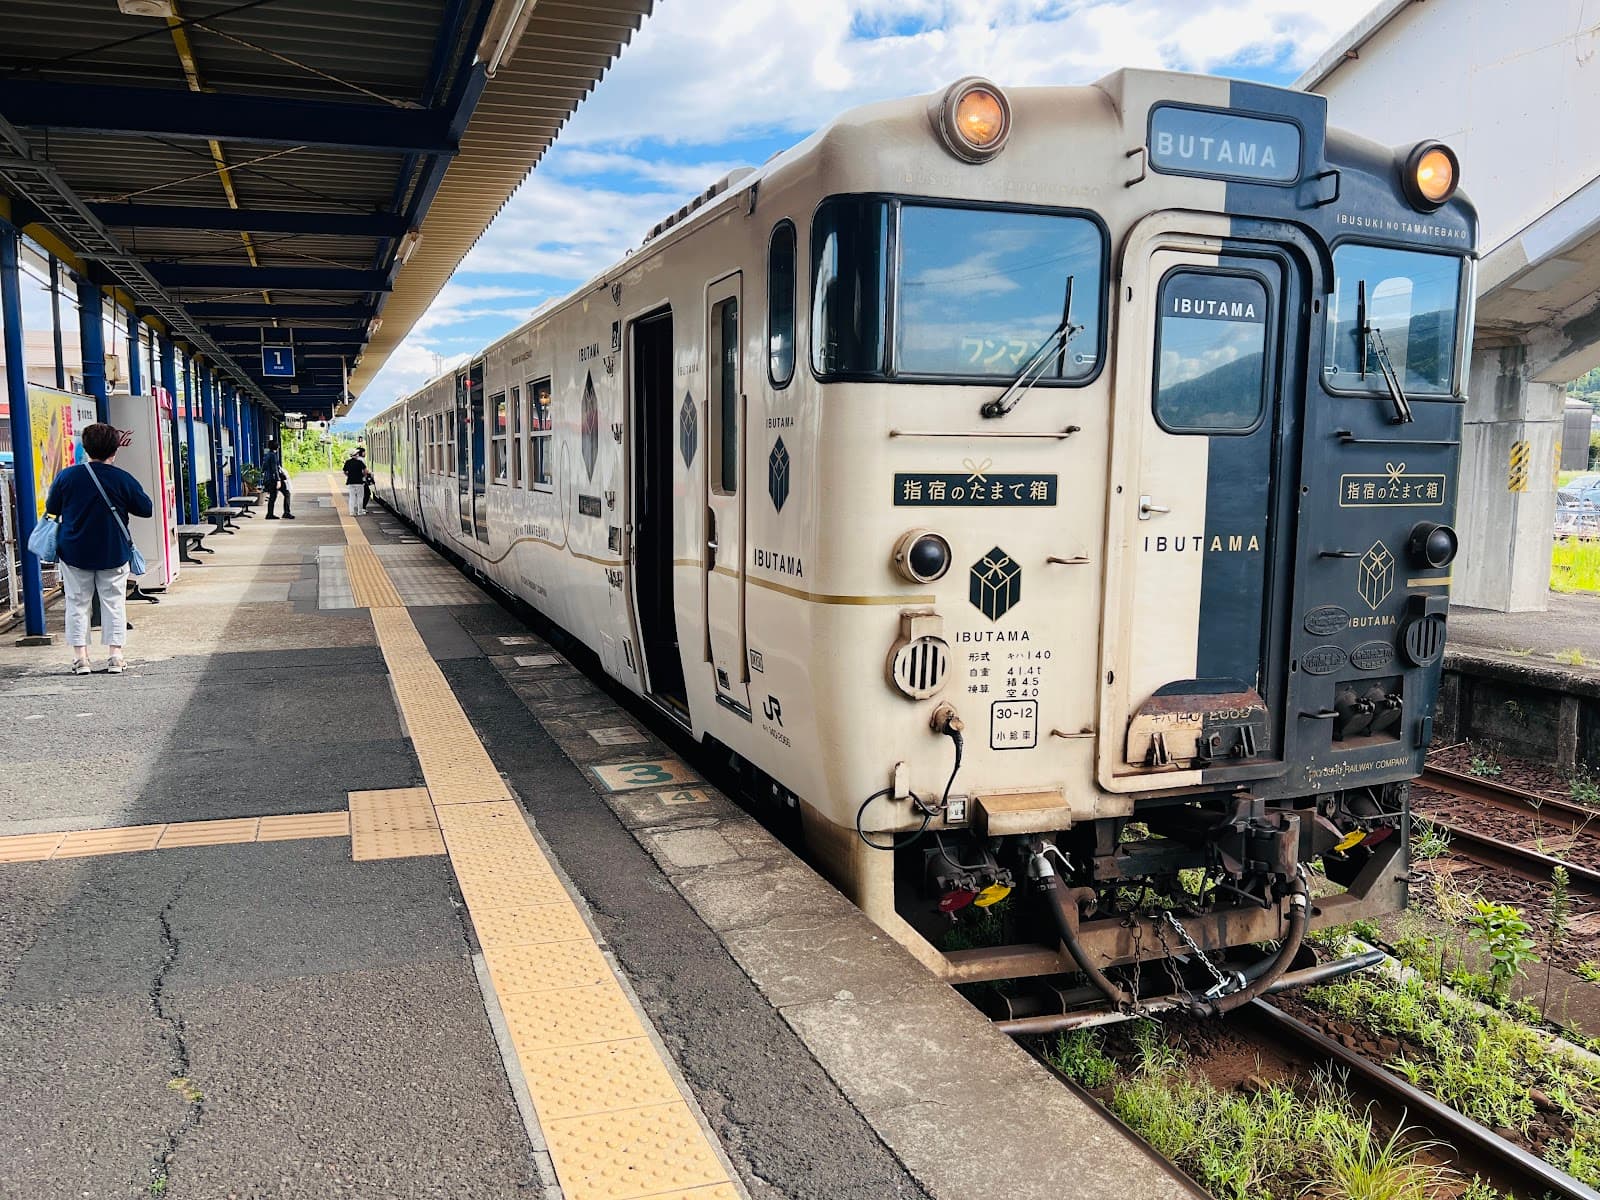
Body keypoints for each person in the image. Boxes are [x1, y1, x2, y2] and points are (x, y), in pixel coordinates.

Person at [44, 422, 154, 675]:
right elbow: (145, 509)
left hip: (74, 551)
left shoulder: (67, 476)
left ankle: (81, 659)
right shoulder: (122, 478)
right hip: (112, 550)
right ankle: (115, 656)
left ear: (86, 448)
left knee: (77, 603)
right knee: (114, 602)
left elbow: (53, 507)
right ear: (114, 450)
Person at [261, 437, 294, 519]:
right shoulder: (273, 456)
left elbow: (263, 468)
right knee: (287, 493)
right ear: (277, 447)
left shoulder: (267, 455)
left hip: (268, 479)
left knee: (273, 496)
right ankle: (286, 512)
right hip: (274, 480)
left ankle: (269, 514)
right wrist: (278, 480)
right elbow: (274, 469)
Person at [342, 446, 370, 516]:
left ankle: (351, 512)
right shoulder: (359, 462)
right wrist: (363, 475)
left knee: (352, 497)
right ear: (356, 455)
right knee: (360, 497)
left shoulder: (347, 462)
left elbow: (345, 471)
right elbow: (365, 470)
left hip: (350, 482)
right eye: (357, 454)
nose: (358, 454)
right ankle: (359, 511)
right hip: (359, 482)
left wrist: (349, 476)